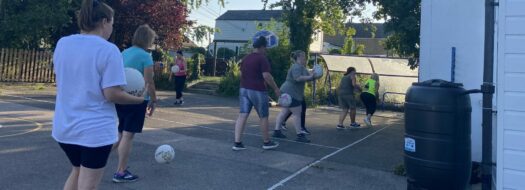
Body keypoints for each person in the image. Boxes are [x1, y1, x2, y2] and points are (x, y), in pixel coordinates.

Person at [52, 0, 144, 189]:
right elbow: (112, 94)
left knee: (77, 171)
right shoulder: (108, 50)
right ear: (104, 21)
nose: (112, 27)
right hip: (94, 132)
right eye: (112, 23)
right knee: (88, 185)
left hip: (64, 127)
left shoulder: (63, 44)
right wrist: (139, 100)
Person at [112, 24, 158, 183]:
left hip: (121, 97)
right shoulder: (146, 56)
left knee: (120, 132)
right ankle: (121, 171)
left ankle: (96, 158)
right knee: (128, 135)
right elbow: (149, 82)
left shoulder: (124, 53)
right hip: (137, 99)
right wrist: (153, 99)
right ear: (147, 40)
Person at [232, 36, 280, 151]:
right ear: (262, 47)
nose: (266, 50)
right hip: (258, 90)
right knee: (263, 116)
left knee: (243, 114)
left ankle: (237, 143)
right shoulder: (262, 58)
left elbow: (242, 72)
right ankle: (266, 142)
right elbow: (266, 76)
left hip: (243, 89)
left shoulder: (246, 58)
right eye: (265, 48)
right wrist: (276, 89)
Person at [272, 50, 314, 143]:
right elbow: (297, 78)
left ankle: (277, 131)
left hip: (288, 92)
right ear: (298, 58)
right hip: (290, 92)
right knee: (297, 113)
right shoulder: (296, 67)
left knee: (284, 111)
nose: (305, 58)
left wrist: (313, 75)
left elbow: (308, 77)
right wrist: (310, 77)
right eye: (303, 57)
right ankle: (300, 135)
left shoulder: (302, 67)